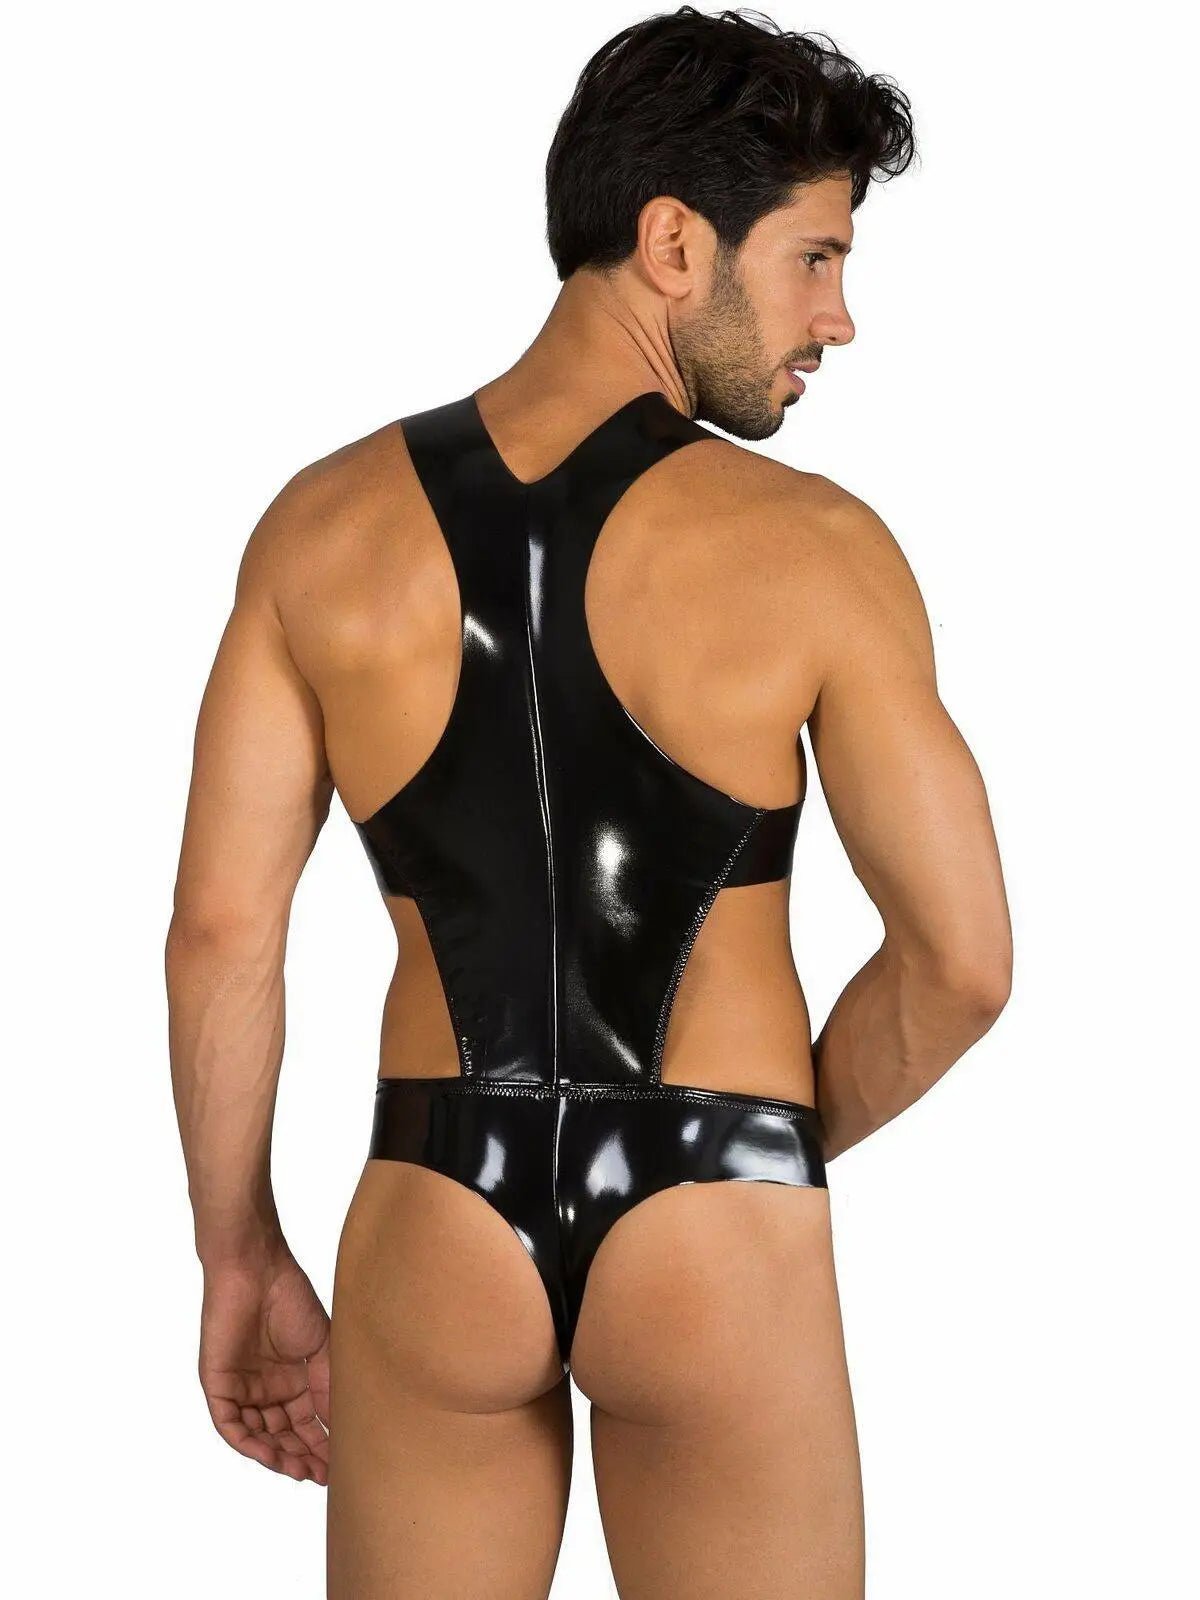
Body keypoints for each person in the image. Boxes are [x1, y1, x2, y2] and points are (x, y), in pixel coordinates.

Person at [165, 8, 1012, 1596]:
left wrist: (236, 1253)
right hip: (717, 1226)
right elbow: (962, 965)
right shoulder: (818, 550)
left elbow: (221, 933)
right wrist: (756, 1142)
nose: (838, 318)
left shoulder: (317, 530)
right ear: (675, 244)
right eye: (815, 259)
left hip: (438, 1206)